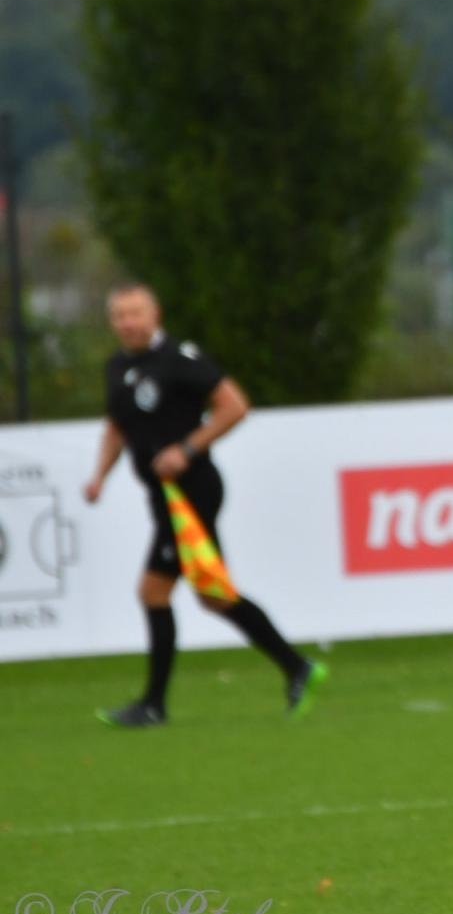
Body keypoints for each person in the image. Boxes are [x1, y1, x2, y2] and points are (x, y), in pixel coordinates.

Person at [85, 283, 327, 727]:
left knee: (154, 591)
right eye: (120, 315)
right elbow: (117, 427)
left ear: (155, 314)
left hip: (193, 493)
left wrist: (187, 450)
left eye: (136, 313)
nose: (128, 323)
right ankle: (297, 667)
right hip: (163, 499)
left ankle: (154, 705)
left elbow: (234, 406)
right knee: (213, 595)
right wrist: (100, 475)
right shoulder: (118, 366)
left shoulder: (180, 360)